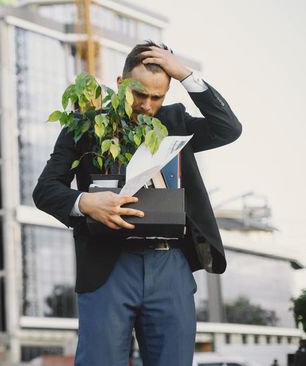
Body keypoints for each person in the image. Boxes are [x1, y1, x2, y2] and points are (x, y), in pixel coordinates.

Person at [32, 41, 242, 366]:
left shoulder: (176, 121)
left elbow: (228, 128)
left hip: (170, 265)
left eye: (156, 97)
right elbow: (45, 190)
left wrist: (185, 73)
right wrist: (86, 202)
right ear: (120, 84)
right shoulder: (84, 127)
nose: (146, 105)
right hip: (107, 265)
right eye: (138, 94)